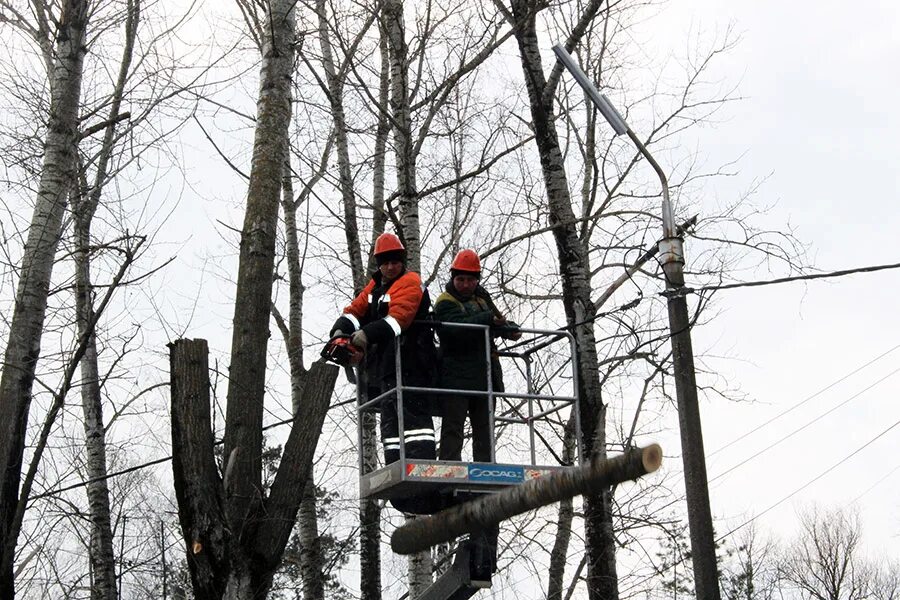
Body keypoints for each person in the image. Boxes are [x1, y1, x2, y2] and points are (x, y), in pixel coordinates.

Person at [330, 233, 436, 465]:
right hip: (388, 367)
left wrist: (366, 335)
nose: (390, 267)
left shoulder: (410, 282)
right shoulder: (375, 287)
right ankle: (394, 464)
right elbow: (355, 310)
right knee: (390, 419)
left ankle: (422, 465)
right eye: (385, 263)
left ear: (402, 262)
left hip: (412, 362)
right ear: (379, 264)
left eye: (395, 262)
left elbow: (399, 319)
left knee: (414, 419)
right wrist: (340, 331)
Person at [434, 249, 521, 463]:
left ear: (477, 280)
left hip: (485, 376)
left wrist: (510, 330)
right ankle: (449, 467)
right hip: (456, 376)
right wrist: (489, 320)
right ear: (453, 278)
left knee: (485, 429)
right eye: (460, 279)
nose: (465, 284)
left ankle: (486, 467)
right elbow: (456, 329)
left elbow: (497, 320)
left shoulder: (482, 299)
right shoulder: (445, 302)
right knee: (453, 427)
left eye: (470, 279)